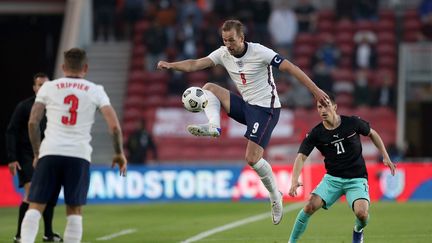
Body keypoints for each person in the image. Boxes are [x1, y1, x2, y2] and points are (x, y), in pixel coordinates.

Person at [157, 19, 329, 225]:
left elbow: (290, 68)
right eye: (225, 40)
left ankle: (275, 195)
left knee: (252, 158)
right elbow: (195, 63)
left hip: (266, 110)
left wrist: (316, 91)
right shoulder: (222, 53)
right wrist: (171, 65)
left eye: (231, 40)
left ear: (242, 38)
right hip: (247, 107)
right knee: (209, 86)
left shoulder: (260, 52)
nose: (228, 44)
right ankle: (214, 126)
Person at [20, 48, 127, 243]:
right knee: (74, 210)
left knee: (35, 206)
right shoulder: (96, 90)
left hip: (50, 152)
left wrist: (37, 153)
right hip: (79, 155)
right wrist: (119, 153)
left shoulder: (48, 87)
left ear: (63, 68)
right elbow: (114, 127)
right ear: (85, 68)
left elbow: (33, 122)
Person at [287, 93, 396, 243]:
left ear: (335, 107)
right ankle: (291, 242)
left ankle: (358, 230)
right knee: (309, 206)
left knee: (362, 214)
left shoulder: (352, 123)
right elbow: (301, 156)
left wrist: (385, 156)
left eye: (326, 105)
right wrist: (294, 180)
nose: (323, 110)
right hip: (333, 180)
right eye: (320, 107)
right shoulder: (316, 133)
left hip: (356, 179)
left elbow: (372, 134)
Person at [6, 73, 63, 243]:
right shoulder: (24, 107)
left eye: (46, 85)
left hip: (48, 154)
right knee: (32, 193)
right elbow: (11, 131)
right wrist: (11, 157)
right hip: (26, 155)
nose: (43, 88)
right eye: (40, 85)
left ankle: (48, 234)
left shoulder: (56, 106)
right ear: (34, 88)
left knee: (50, 194)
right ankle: (20, 235)